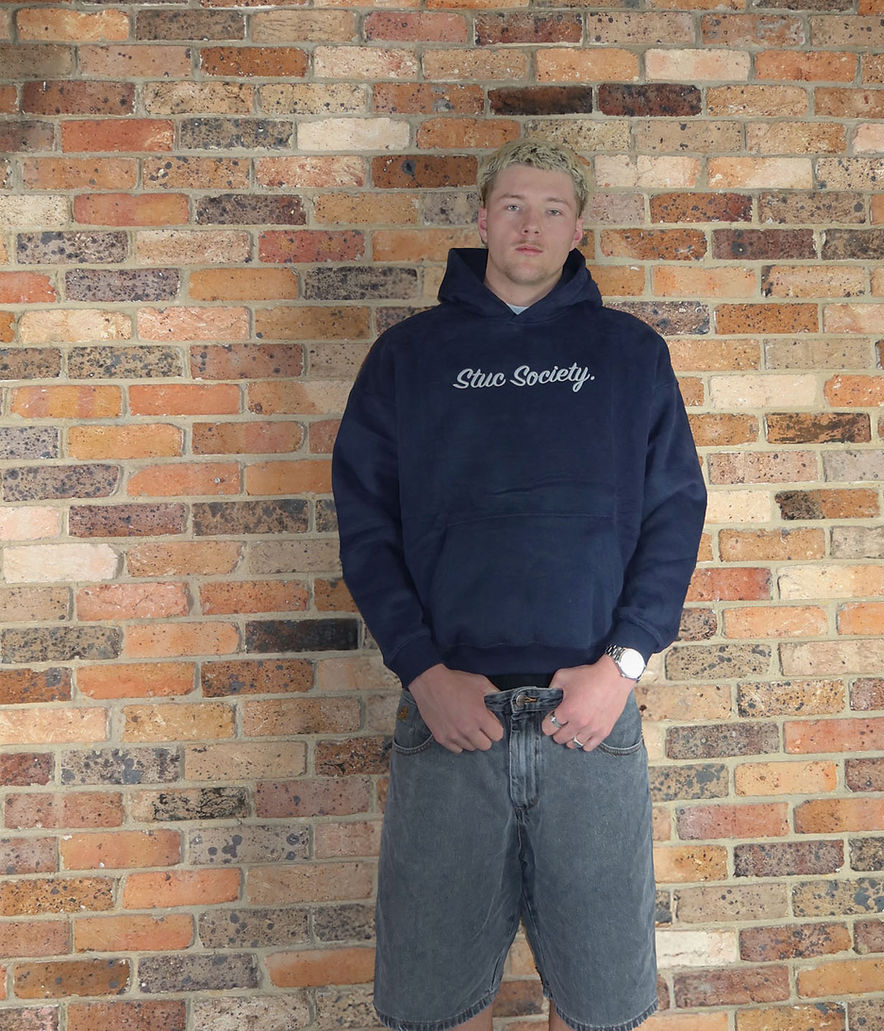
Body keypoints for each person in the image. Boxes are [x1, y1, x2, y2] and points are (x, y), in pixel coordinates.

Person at [332, 138, 707, 1031]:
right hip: (450, 722)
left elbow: (674, 514)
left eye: (550, 209)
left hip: (592, 725)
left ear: (578, 228)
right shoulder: (408, 357)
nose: (529, 226)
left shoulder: (630, 355)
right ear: (481, 219)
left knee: (602, 1010)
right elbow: (367, 527)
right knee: (431, 1009)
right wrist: (423, 672)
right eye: (511, 206)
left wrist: (623, 666)